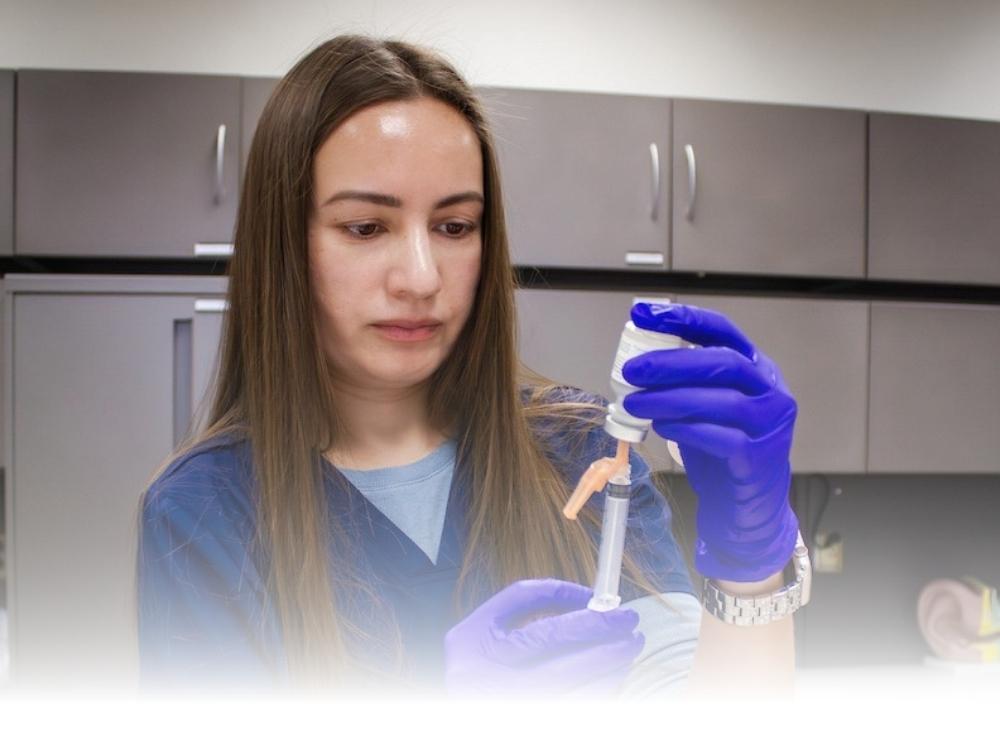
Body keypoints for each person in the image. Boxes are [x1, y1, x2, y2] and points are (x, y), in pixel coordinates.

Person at [137, 34, 801, 696]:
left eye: (454, 227)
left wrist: (752, 570)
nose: (422, 278)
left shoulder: (579, 450)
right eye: (366, 227)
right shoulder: (204, 513)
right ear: (284, 243)